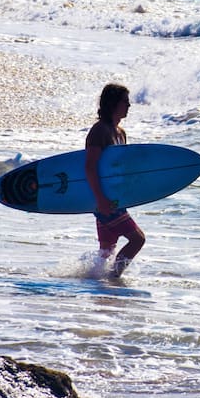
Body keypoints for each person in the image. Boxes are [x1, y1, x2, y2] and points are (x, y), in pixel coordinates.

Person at [85, 83, 145, 278]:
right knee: (137, 239)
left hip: (114, 200)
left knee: (106, 253)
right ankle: (114, 278)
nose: (129, 106)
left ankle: (94, 282)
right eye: (125, 102)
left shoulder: (120, 132)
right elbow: (90, 167)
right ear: (113, 103)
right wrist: (100, 200)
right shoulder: (99, 131)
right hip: (105, 201)